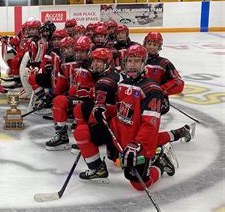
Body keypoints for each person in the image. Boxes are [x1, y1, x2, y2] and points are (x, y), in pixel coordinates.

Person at [76, 45, 177, 190]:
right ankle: (97, 169)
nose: (132, 65)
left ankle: (160, 163)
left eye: (137, 61)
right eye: (130, 61)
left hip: (137, 142)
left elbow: (150, 124)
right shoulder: (123, 83)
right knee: (82, 132)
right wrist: (103, 108)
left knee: (140, 185)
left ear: (143, 63)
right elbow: (122, 109)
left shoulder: (151, 89)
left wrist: (137, 144)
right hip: (118, 134)